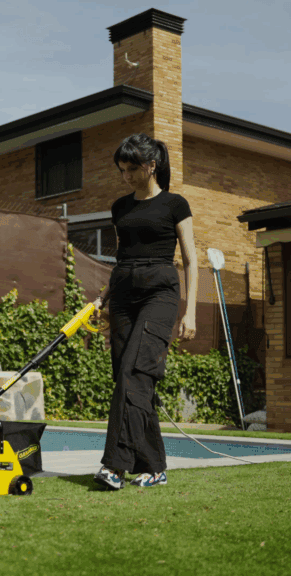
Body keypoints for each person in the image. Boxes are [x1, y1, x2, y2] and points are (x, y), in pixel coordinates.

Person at [90, 133, 197, 490]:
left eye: (132, 169)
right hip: (122, 295)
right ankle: (154, 466)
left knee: (136, 373)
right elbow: (122, 259)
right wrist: (102, 299)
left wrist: (191, 312)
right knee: (129, 379)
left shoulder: (175, 204)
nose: (126, 177)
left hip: (159, 293)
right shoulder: (120, 207)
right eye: (122, 170)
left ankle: (114, 466)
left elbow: (191, 261)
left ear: (152, 166)